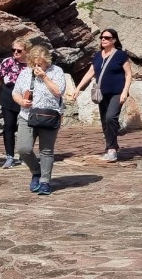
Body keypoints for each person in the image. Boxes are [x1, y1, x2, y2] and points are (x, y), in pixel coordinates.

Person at [68, 28, 133, 162]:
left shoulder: (120, 55)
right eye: (102, 37)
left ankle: (112, 149)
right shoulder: (97, 55)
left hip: (117, 92)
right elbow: (90, 72)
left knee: (110, 117)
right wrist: (79, 87)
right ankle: (110, 147)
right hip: (101, 93)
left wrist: (125, 90)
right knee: (104, 121)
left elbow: (128, 73)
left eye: (107, 37)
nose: (103, 39)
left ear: (114, 40)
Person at [12, 45, 66, 195]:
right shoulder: (24, 73)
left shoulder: (56, 71)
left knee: (46, 151)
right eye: (34, 63)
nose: (37, 67)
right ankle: (36, 171)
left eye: (40, 64)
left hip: (50, 115)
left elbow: (58, 92)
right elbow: (15, 93)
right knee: (23, 148)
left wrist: (44, 77)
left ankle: (45, 181)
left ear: (47, 61)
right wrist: (21, 101)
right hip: (26, 115)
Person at [0, 38, 30, 169]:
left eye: (19, 50)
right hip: (8, 95)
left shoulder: (31, 64)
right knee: (9, 126)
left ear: (26, 51)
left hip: (26, 97)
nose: (15, 53)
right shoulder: (7, 62)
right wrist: (6, 87)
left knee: (25, 127)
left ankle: (24, 154)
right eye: (13, 50)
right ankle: (9, 156)